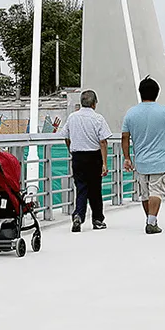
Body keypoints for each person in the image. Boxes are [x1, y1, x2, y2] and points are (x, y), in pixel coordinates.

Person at [121, 76, 165, 234]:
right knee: (156, 191)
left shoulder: (131, 113)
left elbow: (124, 137)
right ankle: (151, 221)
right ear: (157, 93)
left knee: (145, 194)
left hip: (141, 161)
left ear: (140, 92)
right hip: (160, 160)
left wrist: (127, 157)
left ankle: (150, 219)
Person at [59, 90, 112, 233]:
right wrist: (104, 163)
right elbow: (103, 141)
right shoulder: (98, 118)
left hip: (78, 157)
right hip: (94, 157)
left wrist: (70, 148)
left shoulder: (72, 117)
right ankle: (97, 219)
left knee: (81, 188)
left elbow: (66, 135)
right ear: (94, 103)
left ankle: (78, 215)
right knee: (95, 189)